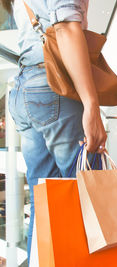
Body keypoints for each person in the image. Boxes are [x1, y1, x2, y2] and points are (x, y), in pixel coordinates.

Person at [0, 0, 107, 261]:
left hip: (25, 88)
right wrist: (91, 105)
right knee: (88, 193)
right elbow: (67, 29)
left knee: (44, 197)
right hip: (54, 85)